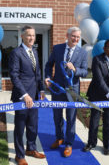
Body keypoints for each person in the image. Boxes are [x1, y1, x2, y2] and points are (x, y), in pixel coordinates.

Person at [45, 27, 88, 157]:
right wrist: (47, 77)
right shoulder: (57, 48)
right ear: (67, 36)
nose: (75, 39)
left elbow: (85, 72)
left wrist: (75, 69)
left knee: (71, 118)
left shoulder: (82, 53)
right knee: (57, 116)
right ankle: (59, 138)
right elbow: (49, 64)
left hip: (72, 90)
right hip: (57, 88)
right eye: (73, 36)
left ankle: (69, 143)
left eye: (78, 37)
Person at [9, 25, 45, 165]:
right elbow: (14, 76)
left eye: (33, 35)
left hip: (34, 96)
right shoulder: (16, 53)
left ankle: (31, 148)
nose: (31, 38)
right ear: (22, 36)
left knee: (33, 125)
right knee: (20, 127)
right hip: (22, 97)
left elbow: (38, 74)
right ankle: (19, 155)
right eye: (29, 35)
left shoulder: (34, 52)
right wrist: (24, 95)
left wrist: (41, 89)